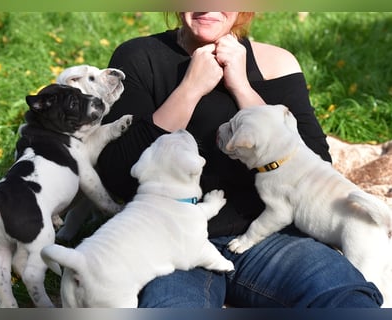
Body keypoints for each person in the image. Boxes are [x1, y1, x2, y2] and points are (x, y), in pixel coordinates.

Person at [96, 12, 383, 307]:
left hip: (269, 236)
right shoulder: (139, 57)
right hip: (174, 239)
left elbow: (315, 169)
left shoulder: (277, 64)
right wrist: (189, 90)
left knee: (349, 298)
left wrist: (243, 88)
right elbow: (118, 178)